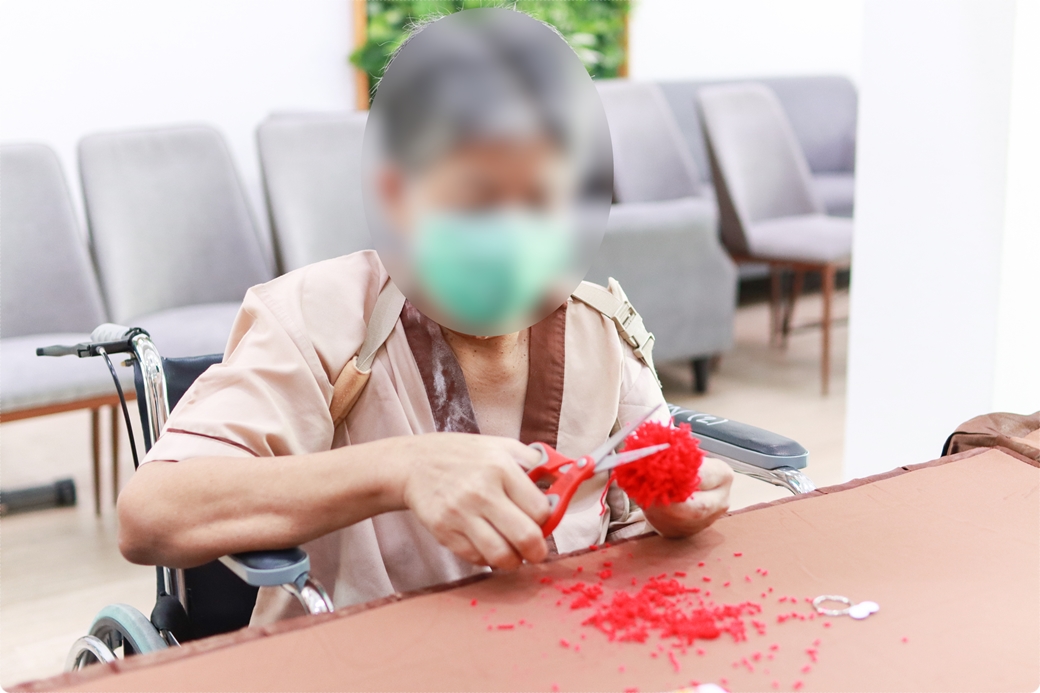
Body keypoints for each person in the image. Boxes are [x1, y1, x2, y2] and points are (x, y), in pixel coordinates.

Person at [116, 8, 733, 624]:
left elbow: (638, 517)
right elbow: (152, 514)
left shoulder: (601, 329)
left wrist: (675, 510)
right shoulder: (315, 320)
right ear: (397, 193)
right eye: (477, 199)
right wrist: (400, 470)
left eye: (543, 200)